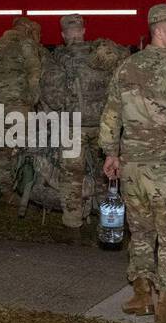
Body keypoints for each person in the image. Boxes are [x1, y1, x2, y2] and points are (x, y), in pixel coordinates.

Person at [100, 4, 166, 323]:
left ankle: (142, 295)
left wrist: (111, 153)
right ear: (159, 30)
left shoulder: (126, 66)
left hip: (132, 169)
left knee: (141, 232)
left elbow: (111, 113)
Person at [38, 14, 125, 244]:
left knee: (72, 176)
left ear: (64, 34)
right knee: (104, 174)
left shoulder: (59, 58)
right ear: (84, 30)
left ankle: (73, 227)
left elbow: (50, 93)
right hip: (103, 125)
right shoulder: (103, 54)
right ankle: (104, 220)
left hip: (72, 125)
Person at [0, 16, 44, 203]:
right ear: (25, 29)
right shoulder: (26, 45)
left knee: (3, 149)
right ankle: (26, 192)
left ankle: (7, 192)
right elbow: (35, 74)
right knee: (24, 149)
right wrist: (33, 100)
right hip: (20, 106)